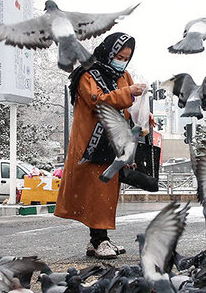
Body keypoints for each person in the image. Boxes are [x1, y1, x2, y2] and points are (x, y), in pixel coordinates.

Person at [54, 33, 146, 259]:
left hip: (114, 142)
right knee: (96, 191)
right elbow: (98, 100)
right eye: (118, 55)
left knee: (106, 192)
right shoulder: (88, 74)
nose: (122, 61)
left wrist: (145, 115)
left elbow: (128, 107)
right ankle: (99, 240)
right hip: (92, 143)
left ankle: (99, 239)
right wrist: (128, 93)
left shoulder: (124, 75)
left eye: (126, 57)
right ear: (107, 51)